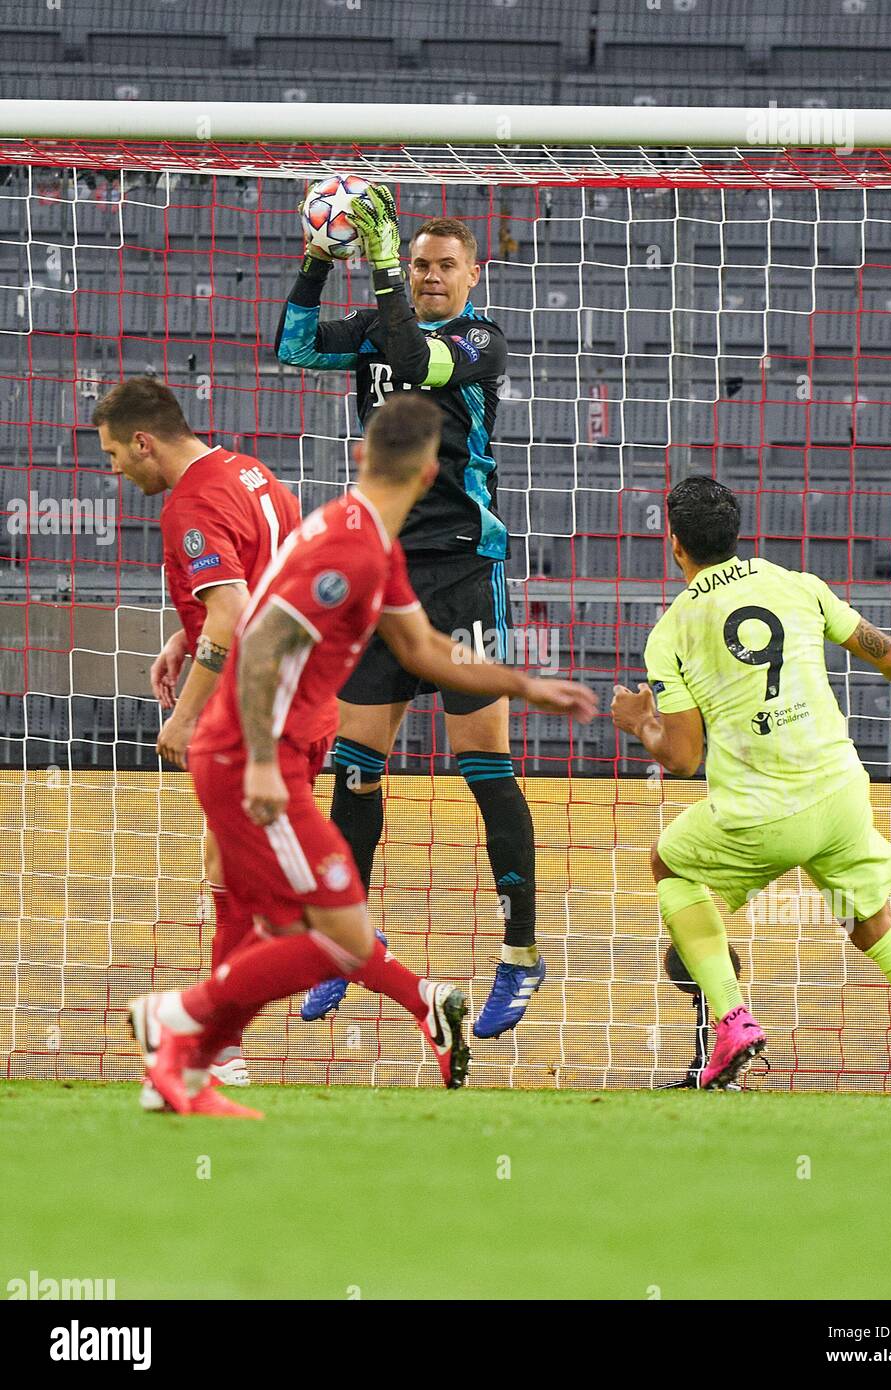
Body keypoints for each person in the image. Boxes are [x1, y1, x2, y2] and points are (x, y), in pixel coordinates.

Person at [129, 395, 596, 1117]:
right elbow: (261, 649)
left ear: (359, 458)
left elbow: (424, 651)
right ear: (429, 476)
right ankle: (179, 1022)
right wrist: (256, 761)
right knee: (335, 938)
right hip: (253, 755)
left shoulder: (366, 539)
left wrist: (523, 684)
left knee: (313, 933)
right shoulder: (350, 548)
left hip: (265, 751)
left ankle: (180, 1064)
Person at [611, 475, 891, 1099]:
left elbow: (683, 758)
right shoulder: (797, 585)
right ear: (735, 535)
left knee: (668, 864)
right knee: (874, 924)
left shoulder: (671, 632)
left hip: (761, 819)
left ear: (676, 545)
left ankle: (733, 1019)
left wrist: (639, 724)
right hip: (840, 798)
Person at [276, 185, 546, 1038]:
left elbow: (418, 359)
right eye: (419, 265)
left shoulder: (478, 340)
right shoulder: (371, 329)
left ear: (474, 274)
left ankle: (520, 954)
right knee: (355, 764)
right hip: (383, 575)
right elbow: (290, 346)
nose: (429, 277)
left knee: (481, 762)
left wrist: (382, 265)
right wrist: (320, 262)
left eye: (443, 266)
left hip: (465, 572)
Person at [95, 377, 300, 1099]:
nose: (114, 469)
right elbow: (263, 583)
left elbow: (231, 611)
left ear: (145, 441)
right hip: (290, 690)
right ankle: (218, 1037)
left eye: (117, 453)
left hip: (250, 704)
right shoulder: (254, 473)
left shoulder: (191, 500)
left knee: (267, 881)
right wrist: (184, 636)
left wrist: (183, 716)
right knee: (238, 863)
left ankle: (220, 1037)